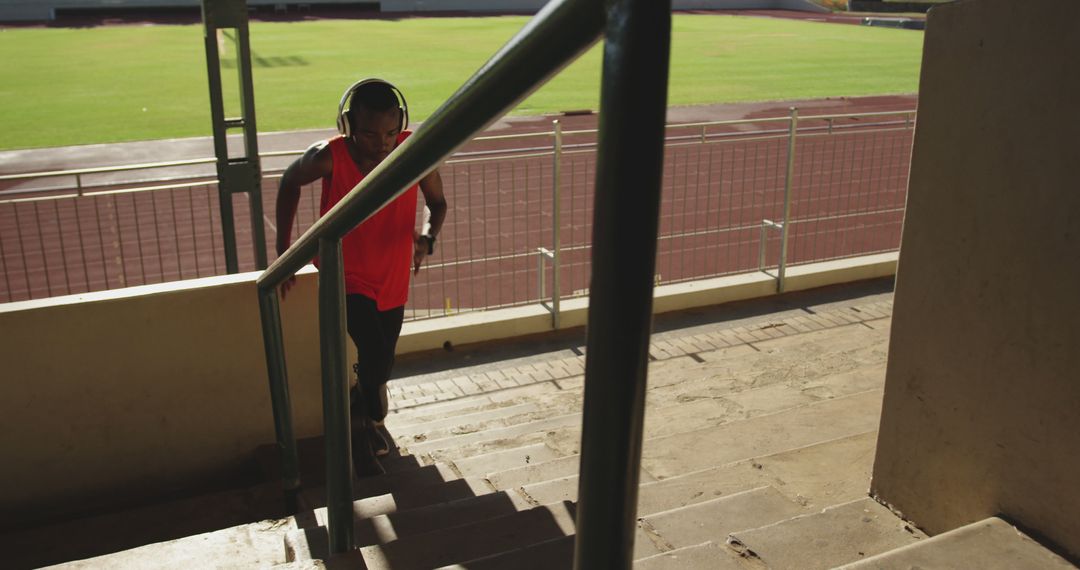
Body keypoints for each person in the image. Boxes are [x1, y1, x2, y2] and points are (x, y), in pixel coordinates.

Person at [275, 79, 447, 476]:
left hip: (392, 276)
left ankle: (366, 412)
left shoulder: (414, 152)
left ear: (401, 123)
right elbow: (289, 182)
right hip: (343, 275)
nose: (382, 143)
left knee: (381, 358)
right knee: (374, 351)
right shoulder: (329, 157)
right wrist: (285, 250)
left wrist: (426, 238)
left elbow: (437, 204)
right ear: (349, 124)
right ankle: (364, 421)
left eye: (390, 132)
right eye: (369, 133)